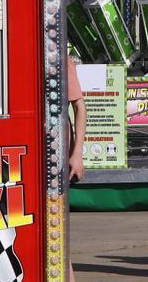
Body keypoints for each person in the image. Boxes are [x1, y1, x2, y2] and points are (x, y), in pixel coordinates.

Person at [65, 54, 86, 282]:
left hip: (56, 153)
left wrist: (77, 153)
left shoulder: (60, 59)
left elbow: (80, 107)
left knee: (57, 225)